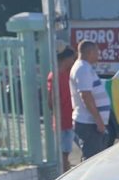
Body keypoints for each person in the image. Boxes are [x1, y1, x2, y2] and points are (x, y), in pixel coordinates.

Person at [70, 41, 112, 160]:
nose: (98, 55)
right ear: (89, 52)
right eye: (96, 52)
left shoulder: (84, 67)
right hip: (89, 123)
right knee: (91, 159)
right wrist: (98, 120)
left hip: (91, 123)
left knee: (95, 157)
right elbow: (86, 96)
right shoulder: (82, 68)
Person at [46, 43, 77, 172]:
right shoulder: (55, 76)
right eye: (72, 58)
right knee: (63, 154)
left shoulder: (69, 74)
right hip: (62, 121)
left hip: (70, 119)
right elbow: (51, 100)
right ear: (67, 58)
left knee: (67, 152)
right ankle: (64, 175)